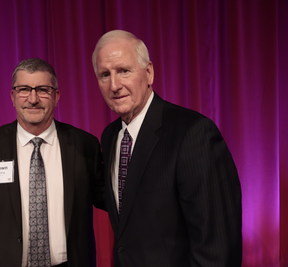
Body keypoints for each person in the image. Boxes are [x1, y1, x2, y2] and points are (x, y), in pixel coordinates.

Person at [92, 30, 242, 266]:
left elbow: (217, 246)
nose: (114, 85)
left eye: (124, 71)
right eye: (104, 74)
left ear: (149, 72)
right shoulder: (111, 136)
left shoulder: (194, 133)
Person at [0, 58, 104, 267]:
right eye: (24, 89)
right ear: (13, 96)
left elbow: (108, 198)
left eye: (43, 89)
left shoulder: (84, 144)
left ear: (56, 96)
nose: (33, 99)